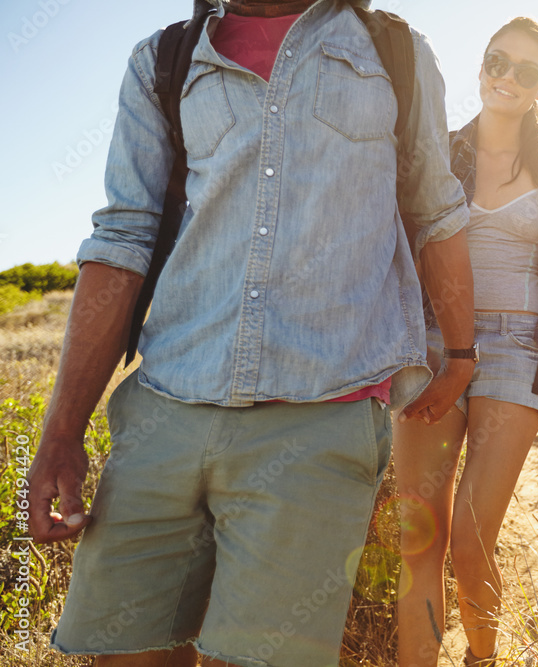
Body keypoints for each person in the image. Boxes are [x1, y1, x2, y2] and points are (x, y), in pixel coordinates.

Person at [26, 1, 475, 665]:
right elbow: (122, 236)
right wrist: (62, 431)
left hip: (320, 417)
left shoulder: (395, 54)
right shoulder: (164, 61)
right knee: (126, 655)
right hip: (164, 415)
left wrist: (462, 354)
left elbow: (437, 209)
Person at [394, 17, 538, 667]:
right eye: (497, 61)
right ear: (481, 67)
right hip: (435, 345)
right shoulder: (440, 149)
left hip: (520, 349)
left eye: (527, 70)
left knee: (471, 539)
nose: (508, 77)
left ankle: (482, 659)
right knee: (417, 540)